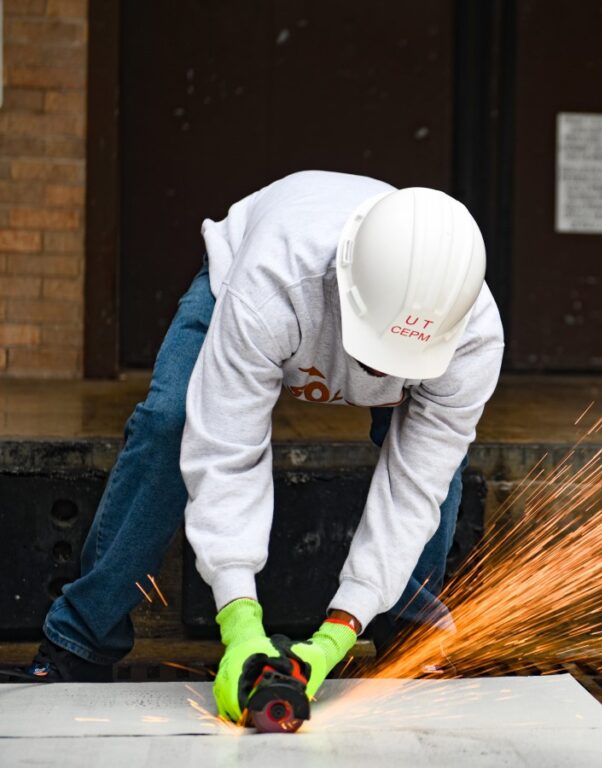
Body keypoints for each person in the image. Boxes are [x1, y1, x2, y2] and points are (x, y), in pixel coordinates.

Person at [14, 171, 504, 722]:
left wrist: (337, 634)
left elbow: (414, 485)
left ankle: (408, 643)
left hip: (359, 317)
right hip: (247, 279)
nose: (382, 373)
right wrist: (240, 622)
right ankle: (80, 642)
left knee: (438, 467)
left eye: (399, 362)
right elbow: (226, 450)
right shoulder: (272, 283)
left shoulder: (473, 338)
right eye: (377, 356)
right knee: (171, 423)